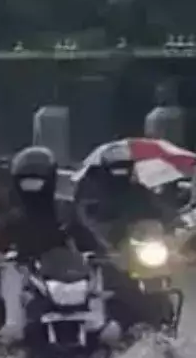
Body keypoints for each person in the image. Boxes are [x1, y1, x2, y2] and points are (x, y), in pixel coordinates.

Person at [0, 146, 108, 345]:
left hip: (62, 270)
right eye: (27, 180)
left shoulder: (64, 209)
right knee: (10, 272)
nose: (33, 186)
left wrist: (101, 252)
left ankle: (99, 321)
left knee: (95, 270)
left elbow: (86, 235)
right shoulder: (13, 214)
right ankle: (13, 323)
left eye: (37, 179)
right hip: (27, 271)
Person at [65, 141, 180, 337]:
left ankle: (162, 326)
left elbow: (159, 210)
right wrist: (100, 238)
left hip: (135, 250)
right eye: (116, 168)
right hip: (103, 250)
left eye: (125, 167)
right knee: (101, 279)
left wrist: (175, 221)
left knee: (158, 283)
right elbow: (84, 217)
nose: (120, 172)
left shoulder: (138, 191)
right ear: (105, 168)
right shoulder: (90, 191)